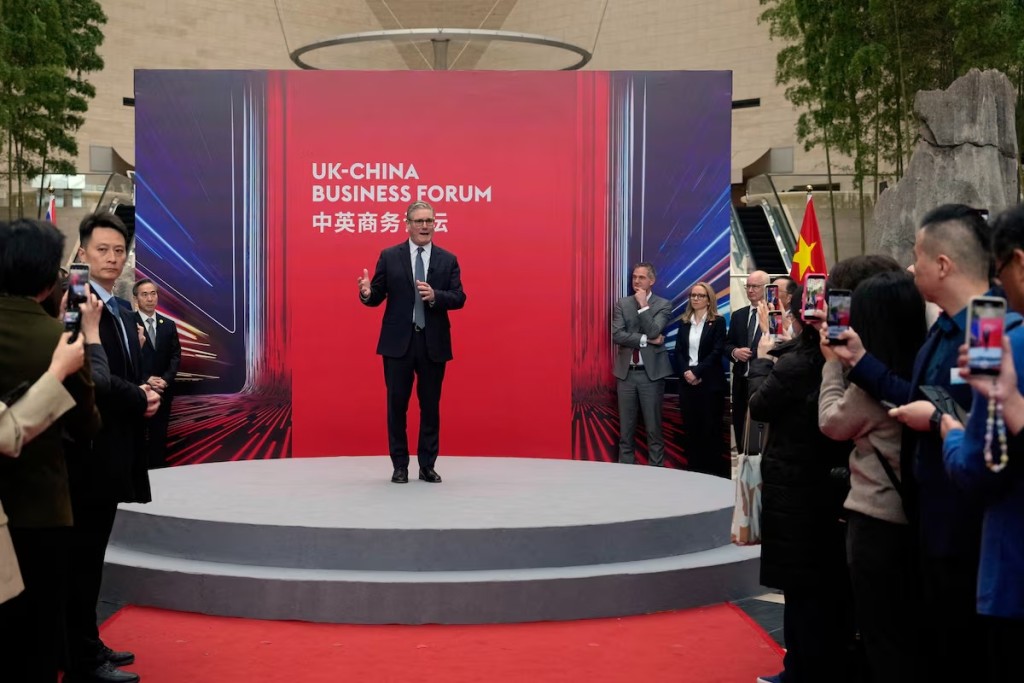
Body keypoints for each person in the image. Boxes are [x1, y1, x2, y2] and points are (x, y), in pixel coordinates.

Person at [843, 205, 995, 681]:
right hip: (930, 517)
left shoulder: (989, 325)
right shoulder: (943, 330)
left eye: (919, 256)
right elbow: (915, 395)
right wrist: (860, 360)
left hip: (968, 524)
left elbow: (993, 427)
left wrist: (936, 420)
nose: (912, 268)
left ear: (944, 264)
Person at [0, 219, 102, 682]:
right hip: (40, 509)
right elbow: (87, 422)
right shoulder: (56, 341)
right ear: (49, 281)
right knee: (39, 634)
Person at [64, 212, 160, 683]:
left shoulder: (119, 306)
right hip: (86, 451)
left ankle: (86, 642)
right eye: (102, 249)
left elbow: (120, 368)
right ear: (82, 252)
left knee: (91, 554)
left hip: (114, 447)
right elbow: (88, 377)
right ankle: (81, 656)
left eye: (119, 251)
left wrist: (147, 384)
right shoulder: (74, 303)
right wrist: (138, 395)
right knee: (80, 557)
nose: (112, 258)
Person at [818, 271, 928, 683]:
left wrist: (832, 369)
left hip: (876, 522)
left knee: (883, 634)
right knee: (911, 631)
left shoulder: (869, 385)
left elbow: (832, 423)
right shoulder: (921, 371)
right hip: (920, 518)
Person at [747, 289, 854, 683]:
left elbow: (758, 406)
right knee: (829, 588)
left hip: (798, 491)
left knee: (804, 591)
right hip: (833, 487)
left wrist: (761, 359)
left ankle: (800, 671)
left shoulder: (796, 366)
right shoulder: (849, 363)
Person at [941, 204, 1024, 683]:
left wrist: (950, 432)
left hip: (1012, 574)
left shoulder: (1014, 340)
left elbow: (978, 466)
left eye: (1002, 271)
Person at [357, 201, 466, 484]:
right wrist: (367, 293)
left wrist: (437, 296)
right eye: (418, 221)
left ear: (435, 224)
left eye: (429, 220)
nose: (424, 226)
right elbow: (377, 295)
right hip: (398, 344)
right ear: (407, 224)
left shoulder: (448, 259)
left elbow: (459, 297)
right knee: (397, 406)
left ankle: (427, 465)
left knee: (430, 406)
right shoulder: (390, 256)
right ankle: (400, 466)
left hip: (433, 343)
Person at [612, 263, 672, 466]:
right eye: (634, 277)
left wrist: (643, 305)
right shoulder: (622, 303)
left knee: (653, 429)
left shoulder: (663, 304)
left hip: (651, 375)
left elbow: (655, 330)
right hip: (626, 375)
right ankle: (625, 475)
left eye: (642, 278)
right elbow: (617, 335)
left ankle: (656, 475)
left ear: (652, 281)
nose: (636, 281)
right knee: (625, 431)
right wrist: (647, 341)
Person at [675, 281, 727, 476]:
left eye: (700, 296)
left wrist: (697, 372)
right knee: (691, 429)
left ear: (708, 299)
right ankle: (693, 471)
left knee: (710, 429)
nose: (695, 299)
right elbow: (679, 351)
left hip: (709, 383)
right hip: (687, 383)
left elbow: (717, 351)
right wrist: (687, 372)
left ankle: (712, 473)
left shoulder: (718, 321)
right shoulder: (684, 321)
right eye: (693, 295)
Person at [133, 278, 181, 468]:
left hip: (163, 390)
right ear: (136, 298)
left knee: (159, 436)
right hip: (138, 389)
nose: (150, 298)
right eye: (145, 294)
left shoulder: (168, 324)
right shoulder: (129, 322)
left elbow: (176, 356)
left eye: (153, 293)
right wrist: (146, 379)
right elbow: (127, 357)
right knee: (137, 435)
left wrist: (165, 380)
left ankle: (159, 472)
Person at [725, 270, 768, 452]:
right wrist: (735, 352)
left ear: (766, 288)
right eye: (748, 286)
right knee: (741, 427)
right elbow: (726, 344)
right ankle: (744, 465)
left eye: (755, 286)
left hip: (765, 382)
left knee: (762, 429)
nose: (750, 290)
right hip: (741, 381)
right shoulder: (739, 315)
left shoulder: (775, 315)